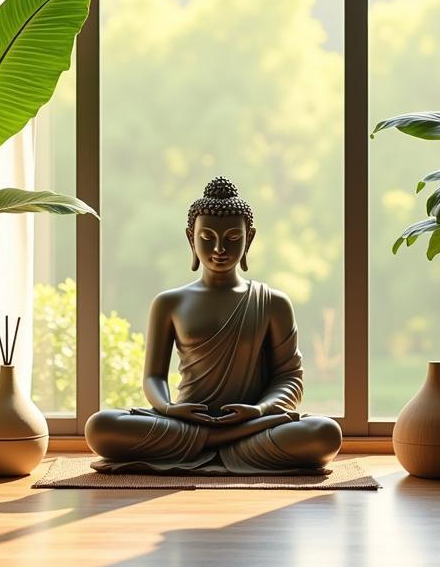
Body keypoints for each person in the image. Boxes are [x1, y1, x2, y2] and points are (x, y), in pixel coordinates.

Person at [86, 176, 342, 473]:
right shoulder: (169, 303)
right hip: (186, 423)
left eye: (233, 238)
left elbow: (290, 379)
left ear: (250, 238)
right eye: (207, 237)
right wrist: (169, 409)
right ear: (190, 238)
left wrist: (258, 410)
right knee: (100, 426)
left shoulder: (272, 302)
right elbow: (153, 377)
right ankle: (227, 443)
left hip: (252, 423)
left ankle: (208, 444)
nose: (219, 248)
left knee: (324, 433)